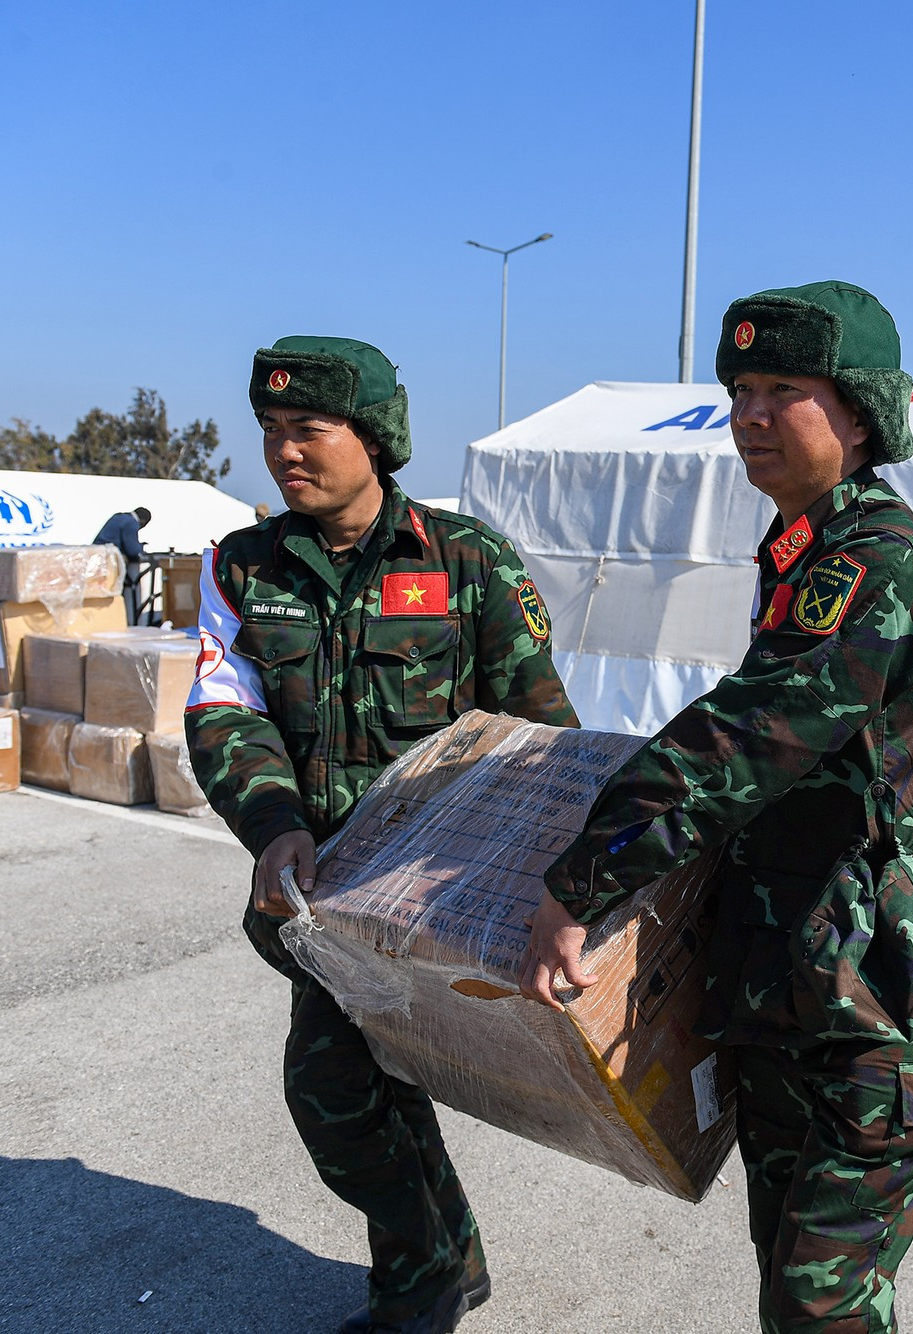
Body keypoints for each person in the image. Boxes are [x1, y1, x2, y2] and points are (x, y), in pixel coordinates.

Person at [521, 282, 913, 1333]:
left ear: (861, 410)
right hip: (802, 979)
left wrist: (580, 877)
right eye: (738, 388)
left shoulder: (879, 563)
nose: (748, 413)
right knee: (788, 1276)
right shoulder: (799, 555)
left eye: (783, 387)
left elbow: (749, 736)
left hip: (883, 998)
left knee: (819, 1303)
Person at [187, 335, 577, 1334]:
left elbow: (543, 737)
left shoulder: (467, 561)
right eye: (270, 430)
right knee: (345, 1091)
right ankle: (441, 1259)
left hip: (437, 898)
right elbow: (225, 709)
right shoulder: (242, 566)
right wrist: (272, 824)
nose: (284, 450)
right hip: (321, 899)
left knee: (352, 1088)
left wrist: (559, 889)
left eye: (309, 429)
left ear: (375, 436)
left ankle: (423, 1282)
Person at [94, 506, 151, 623]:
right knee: (115, 592)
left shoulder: (118, 517)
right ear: (144, 522)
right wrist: (141, 547)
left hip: (97, 558)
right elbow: (132, 550)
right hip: (109, 562)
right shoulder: (131, 523)